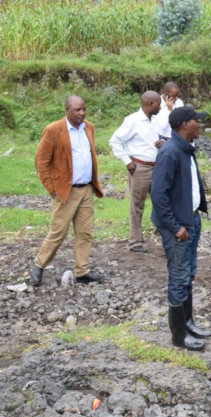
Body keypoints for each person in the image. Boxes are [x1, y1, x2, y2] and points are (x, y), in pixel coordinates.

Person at [150, 107, 211, 351]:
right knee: (178, 276)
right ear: (184, 125)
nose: (200, 124)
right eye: (196, 121)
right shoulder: (170, 152)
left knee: (188, 273)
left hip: (191, 219)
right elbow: (158, 194)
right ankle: (178, 336)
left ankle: (187, 322)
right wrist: (175, 227)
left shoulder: (185, 148)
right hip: (178, 226)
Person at [29, 95, 104, 286]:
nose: (82, 113)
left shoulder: (89, 127)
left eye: (84, 109)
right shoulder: (54, 130)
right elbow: (41, 162)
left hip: (86, 189)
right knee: (58, 232)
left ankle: (82, 271)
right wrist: (52, 190)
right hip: (65, 191)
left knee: (84, 232)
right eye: (77, 110)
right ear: (67, 111)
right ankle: (39, 265)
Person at [109, 91, 164, 253]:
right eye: (159, 104)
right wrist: (127, 162)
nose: (160, 107)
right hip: (140, 168)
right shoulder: (133, 120)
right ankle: (135, 241)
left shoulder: (153, 120)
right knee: (137, 204)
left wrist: (161, 143)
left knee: (161, 201)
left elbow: (150, 141)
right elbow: (114, 141)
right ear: (151, 104)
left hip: (157, 166)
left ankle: (163, 233)